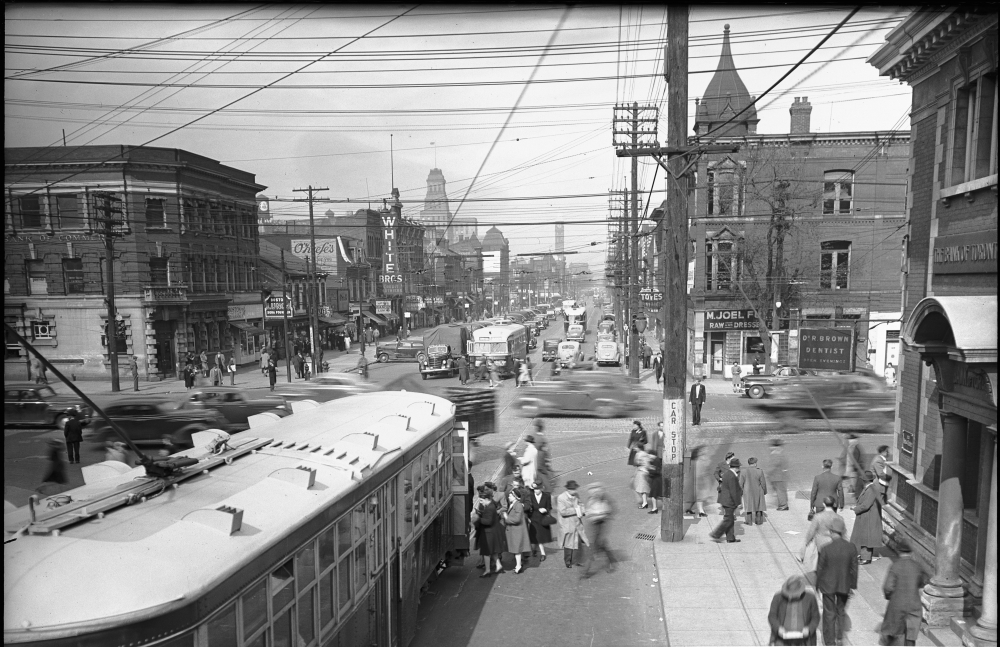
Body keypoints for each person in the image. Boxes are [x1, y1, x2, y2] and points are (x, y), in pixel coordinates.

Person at [815, 516, 858, 646]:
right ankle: (839, 637)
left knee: (829, 613)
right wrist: (852, 585)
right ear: (843, 532)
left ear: (831, 532)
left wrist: (817, 586)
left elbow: (820, 569)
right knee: (841, 611)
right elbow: (854, 569)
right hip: (844, 585)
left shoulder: (826, 548)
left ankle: (829, 641)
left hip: (828, 586)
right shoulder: (851, 548)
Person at [879, 538, 928, 646]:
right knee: (910, 637)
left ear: (899, 551)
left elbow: (888, 587)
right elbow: (923, 581)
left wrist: (889, 597)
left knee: (892, 632)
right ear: (910, 552)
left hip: (897, 605)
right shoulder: (917, 566)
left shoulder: (895, 566)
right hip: (914, 606)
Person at [768, 575, 820, 646]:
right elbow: (772, 616)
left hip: (804, 640)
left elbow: (816, 617)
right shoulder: (778, 597)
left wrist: (809, 629)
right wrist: (778, 628)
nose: (791, 596)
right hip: (782, 640)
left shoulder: (810, 598)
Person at [581, 482, 616, 577]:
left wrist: (601, 515)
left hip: (600, 526)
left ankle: (585, 571)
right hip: (592, 526)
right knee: (601, 546)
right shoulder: (591, 499)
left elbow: (610, 511)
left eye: (595, 491)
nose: (593, 493)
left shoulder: (604, 500)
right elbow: (587, 511)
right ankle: (611, 561)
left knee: (594, 546)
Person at [801, 496, 840, 582]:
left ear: (823, 504)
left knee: (821, 560)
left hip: (821, 542)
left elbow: (812, 531)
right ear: (834, 504)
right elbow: (842, 532)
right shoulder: (838, 517)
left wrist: (807, 542)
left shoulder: (818, 517)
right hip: (834, 541)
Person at [850, 471, 884, 565]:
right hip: (867, 516)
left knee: (866, 538)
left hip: (869, 518)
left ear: (865, 480)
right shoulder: (870, 488)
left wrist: (856, 508)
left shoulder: (871, 489)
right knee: (865, 538)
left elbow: (866, 505)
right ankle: (864, 556)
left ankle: (866, 558)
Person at [710, 458, 743, 543]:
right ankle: (716, 534)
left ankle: (730, 538)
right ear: (736, 467)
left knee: (730, 519)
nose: (739, 469)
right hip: (729, 501)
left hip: (725, 499)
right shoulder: (732, 476)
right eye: (738, 467)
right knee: (728, 519)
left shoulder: (727, 473)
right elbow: (733, 491)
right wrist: (738, 503)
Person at [477, 485, 507, 577]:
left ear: (486, 499)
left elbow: (488, 521)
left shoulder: (490, 508)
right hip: (493, 532)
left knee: (486, 552)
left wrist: (478, 519)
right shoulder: (490, 505)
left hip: (489, 533)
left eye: (481, 500)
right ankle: (499, 566)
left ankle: (487, 570)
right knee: (493, 551)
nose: (480, 502)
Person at [557, 480, 587, 568]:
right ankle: (568, 561)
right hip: (567, 524)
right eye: (574, 489)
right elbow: (563, 512)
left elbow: (581, 504)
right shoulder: (561, 498)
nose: (576, 491)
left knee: (578, 543)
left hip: (577, 523)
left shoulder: (576, 495)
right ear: (569, 490)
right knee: (568, 544)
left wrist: (583, 510)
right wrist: (576, 510)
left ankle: (578, 560)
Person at [503, 488, 531, 574]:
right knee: (516, 551)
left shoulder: (518, 505)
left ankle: (518, 566)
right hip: (514, 531)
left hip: (516, 531)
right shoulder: (513, 504)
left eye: (510, 495)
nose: (509, 497)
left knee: (517, 550)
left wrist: (506, 518)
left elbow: (517, 519)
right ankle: (517, 566)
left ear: (515, 496)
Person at [527, 479, 554, 563]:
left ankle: (538, 551)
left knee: (539, 537)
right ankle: (541, 552)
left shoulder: (547, 496)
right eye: (535, 489)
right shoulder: (530, 496)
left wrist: (545, 509)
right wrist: (528, 518)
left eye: (538, 489)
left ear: (542, 488)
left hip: (542, 519)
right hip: (533, 518)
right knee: (536, 536)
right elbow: (528, 508)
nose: (536, 491)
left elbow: (549, 507)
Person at [740, 456, 767, 525]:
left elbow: (740, 483)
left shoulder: (743, 471)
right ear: (755, 463)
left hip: (747, 492)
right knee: (759, 506)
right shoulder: (759, 471)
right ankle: (758, 521)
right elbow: (763, 483)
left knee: (748, 506)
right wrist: (765, 491)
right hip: (758, 491)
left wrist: (741, 492)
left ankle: (748, 521)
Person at [685, 445, 710, 517]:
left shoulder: (701, 459)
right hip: (699, 482)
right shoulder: (699, 461)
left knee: (695, 498)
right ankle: (701, 512)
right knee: (700, 497)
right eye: (704, 449)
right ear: (700, 452)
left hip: (698, 481)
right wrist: (701, 483)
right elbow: (698, 474)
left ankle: (688, 509)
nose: (706, 450)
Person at [767, 439, 790, 511]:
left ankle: (783, 505)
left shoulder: (775, 454)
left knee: (780, 491)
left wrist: (767, 472)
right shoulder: (780, 453)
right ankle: (784, 503)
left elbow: (773, 466)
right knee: (781, 490)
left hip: (777, 476)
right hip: (780, 476)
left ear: (774, 447)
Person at [633, 444, 655, 510]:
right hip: (643, 471)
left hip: (641, 472)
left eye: (635, 447)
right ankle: (645, 502)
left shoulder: (640, 454)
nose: (634, 449)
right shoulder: (643, 454)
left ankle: (646, 502)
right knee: (642, 488)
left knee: (641, 488)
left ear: (639, 447)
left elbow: (638, 463)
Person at [647, 443, 662, 514]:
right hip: (656, 479)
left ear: (652, 454)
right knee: (656, 494)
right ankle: (655, 508)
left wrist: (649, 470)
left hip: (656, 479)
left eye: (649, 455)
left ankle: (654, 508)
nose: (649, 457)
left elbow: (656, 470)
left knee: (654, 494)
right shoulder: (656, 460)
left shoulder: (656, 461)